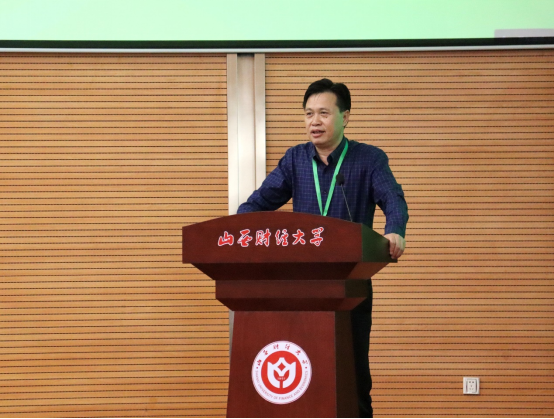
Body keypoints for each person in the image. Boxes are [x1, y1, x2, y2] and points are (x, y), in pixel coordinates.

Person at [237, 78, 409, 418]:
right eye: (308, 114)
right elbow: (258, 203)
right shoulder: (295, 159)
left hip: (351, 283)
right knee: (305, 368)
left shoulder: (368, 159)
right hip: (301, 286)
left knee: (353, 373)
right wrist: (236, 230)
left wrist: (395, 230)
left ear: (345, 117)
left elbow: (393, 199)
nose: (314, 121)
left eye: (324, 113)